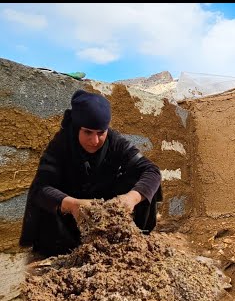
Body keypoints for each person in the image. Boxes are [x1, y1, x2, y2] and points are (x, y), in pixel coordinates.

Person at [19, 89, 163, 257]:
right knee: (43, 197)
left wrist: (131, 198)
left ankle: (128, 241)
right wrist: (72, 205)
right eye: (87, 132)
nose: (95, 141)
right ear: (77, 127)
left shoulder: (115, 141)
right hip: (72, 217)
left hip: (105, 211)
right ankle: (64, 251)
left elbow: (151, 170)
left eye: (100, 133)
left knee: (143, 184)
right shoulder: (61, 144)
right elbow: (41, 187)